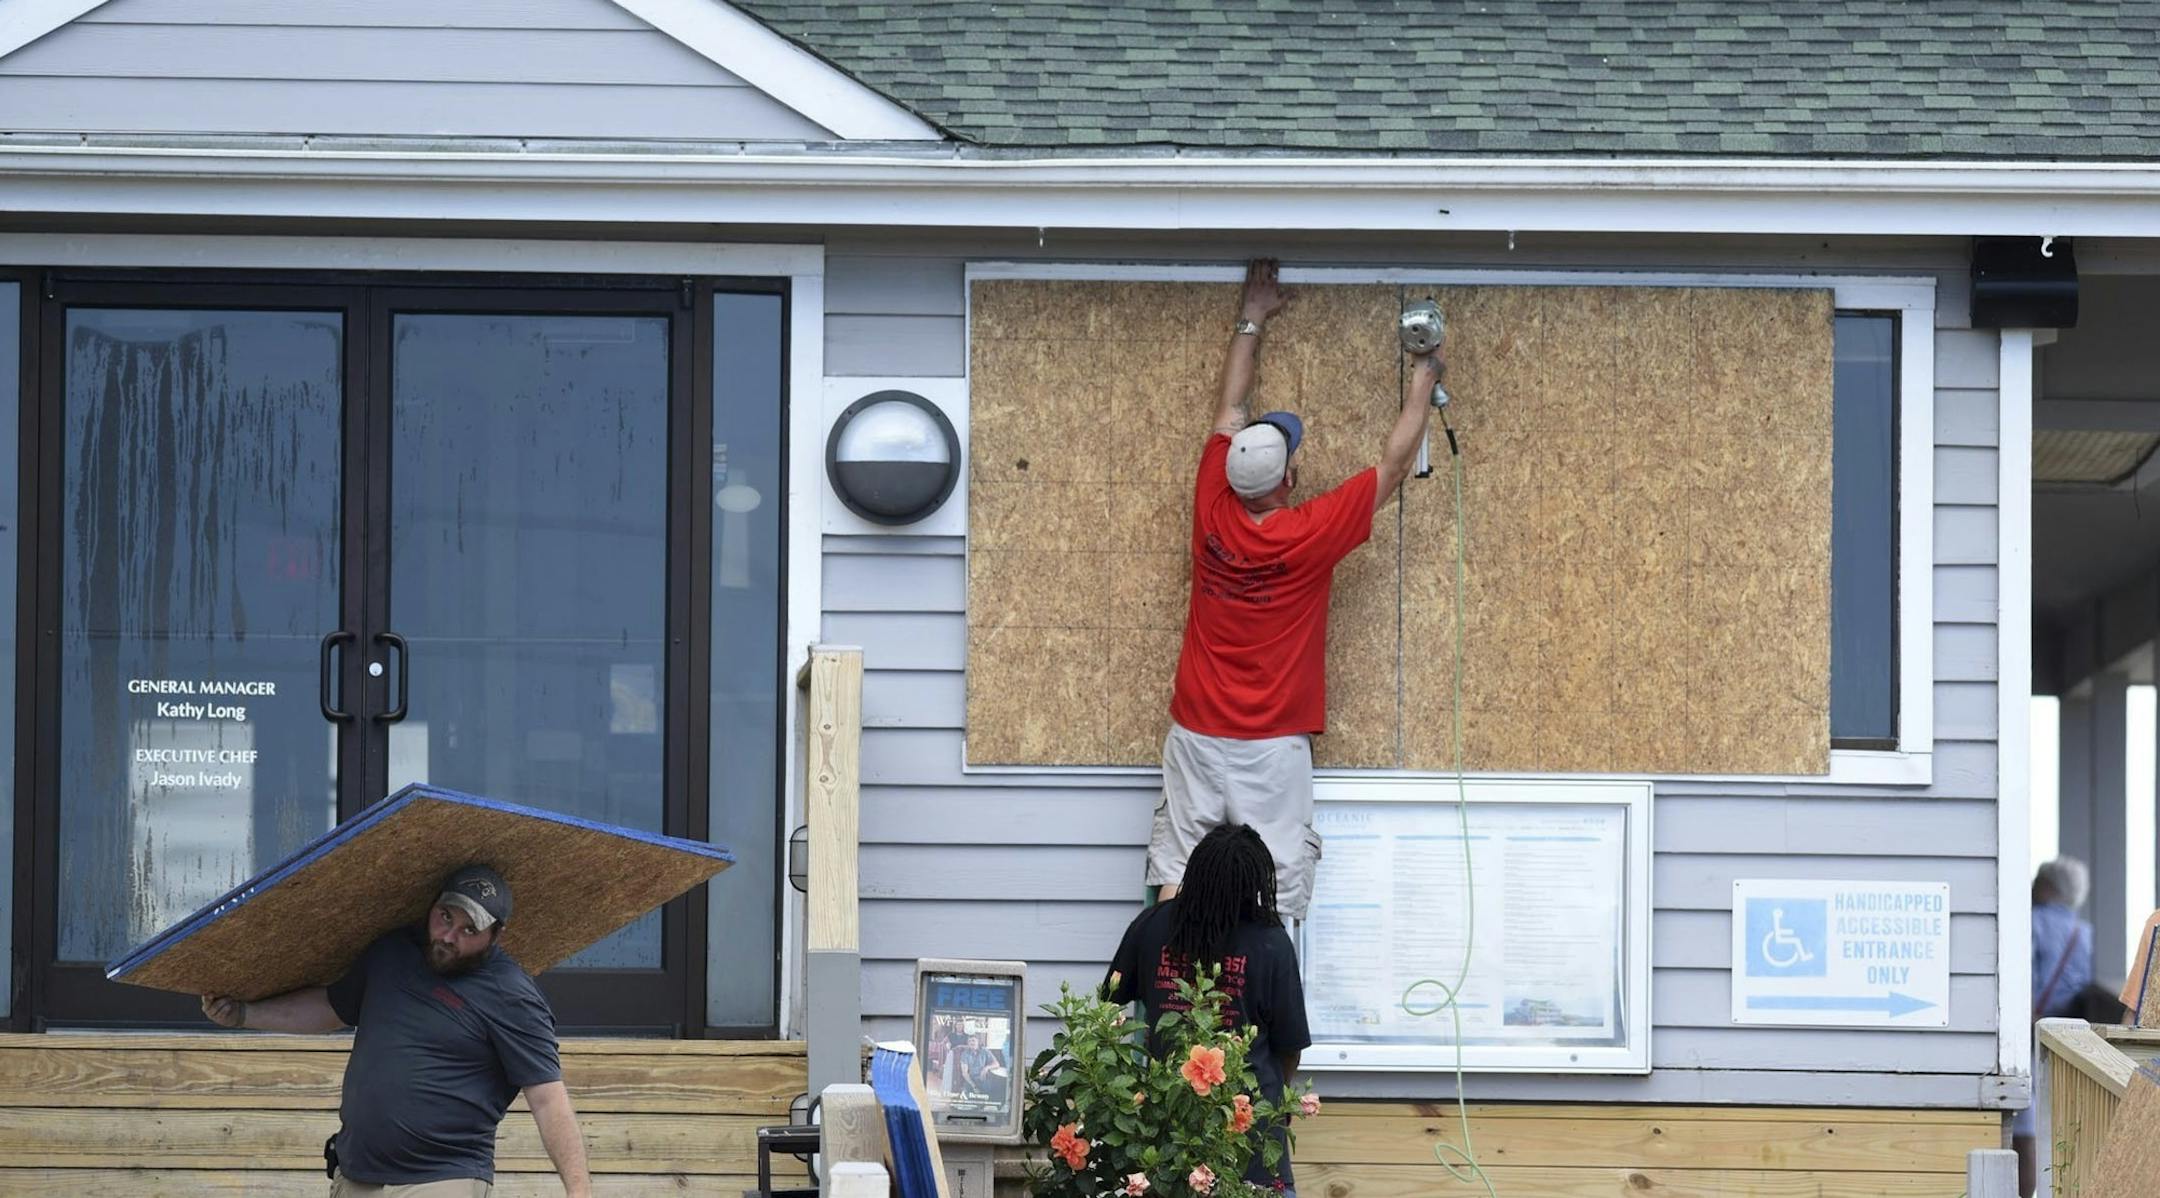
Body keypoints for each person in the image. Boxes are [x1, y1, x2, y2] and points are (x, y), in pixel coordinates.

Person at [1150, 258, 1444, 921]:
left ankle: (1168, 1011)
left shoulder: (1211, 504)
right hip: (1271, 748)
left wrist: (1253, 311)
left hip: (1195, 731)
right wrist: (1426, 374)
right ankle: (1259, 1014)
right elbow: (1395, 464)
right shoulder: (1311, 533)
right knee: (1271, 887)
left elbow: (1229, 405)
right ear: (1287, 481)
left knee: (1178, 868)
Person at [201, 865, 592, 1198]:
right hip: (357, 1175)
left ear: (495, 936)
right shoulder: (391, 953)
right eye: (445, 917)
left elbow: (547, 1099)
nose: (449, 936)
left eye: (469, 929)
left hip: (442, 1178)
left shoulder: (512, 995)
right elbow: (331, 1008)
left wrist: (579, 1193)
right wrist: (244, 1014)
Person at [1109, 824, 1312, 1196]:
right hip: (1251, 1140)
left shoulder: (1154, 926)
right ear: (1254, 882)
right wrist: (1273, 1104)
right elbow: (1289, 1047)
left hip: (1168, 1137)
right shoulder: (1270, 941)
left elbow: (1110, 1007)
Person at [2015, 857, 2096, 1197]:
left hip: (2029, 1025)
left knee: (2025, 1113)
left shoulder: (2032, 922)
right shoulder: (2083, 932)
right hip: (2065, 1032)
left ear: (2046, 887)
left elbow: (2025, 976)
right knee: (2058, 1109)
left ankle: (2024, 1191)